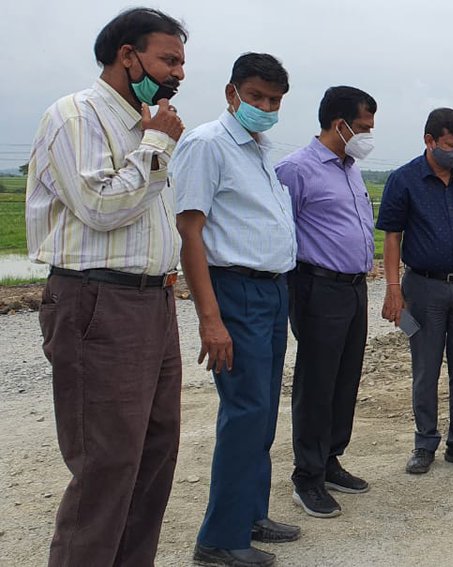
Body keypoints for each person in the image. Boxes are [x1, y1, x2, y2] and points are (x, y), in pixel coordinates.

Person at [26, 8, 187, 565]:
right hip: (98, 300)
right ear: (127, 55)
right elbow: (100, 205)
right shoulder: (76, 115)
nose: (179, 73)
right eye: (169, 59)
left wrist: (154, 142)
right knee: (107, 460)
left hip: (153, 301)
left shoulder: (144, 121)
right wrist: (157, 148)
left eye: (182, 62)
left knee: (156, 449)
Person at [173, 52, 298, 567]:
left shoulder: (259, 148)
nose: (266, 107)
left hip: (272, 290)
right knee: (244, 410)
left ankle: (251, 513)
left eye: (274, 100)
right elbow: (189, 231)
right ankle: (219, 539)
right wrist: (210, 317)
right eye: (256, 97)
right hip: (236, 291)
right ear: (232, 94)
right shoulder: (207, 144)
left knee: (264, 409)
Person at [377, 108, 453, 476]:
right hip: (423, 289)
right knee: (425, 368)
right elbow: (392, 237)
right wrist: (393, 289)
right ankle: (424, 443)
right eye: (451, 145)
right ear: (429, 141)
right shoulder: (404, 180)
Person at [274, 86, 378, 519]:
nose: (369, 136)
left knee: (345, 376)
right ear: (341, 124)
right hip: (318, 285)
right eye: (365, 127)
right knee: (317, 381)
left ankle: (331, 458)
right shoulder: (296, 169)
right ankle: (307, 476)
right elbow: (281, 231)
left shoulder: (350, 168)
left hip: (354, 287)